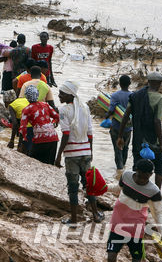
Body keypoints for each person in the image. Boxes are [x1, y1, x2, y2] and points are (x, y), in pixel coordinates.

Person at [54, 81, 101, 225]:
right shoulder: (85, 107)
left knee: (73, 188)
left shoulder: (63, 110)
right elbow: (90, 133)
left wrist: (58, 155)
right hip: (86, 152)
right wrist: (90, 152)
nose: (59, 95)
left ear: (70, 94)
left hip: (72, 155)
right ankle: (96, 215)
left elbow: (66, 134)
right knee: (89, 186)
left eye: (62, 93)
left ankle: (74, 219)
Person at [106, 159, 162, 262]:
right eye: (139, 176)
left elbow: (158, 213)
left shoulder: (154, 191)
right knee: (111, 257)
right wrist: (103, 187)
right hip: (118, 222)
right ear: (135, 170)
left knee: (136, 258)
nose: (141, 180)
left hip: (136, 227)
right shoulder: (126, 175)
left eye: (145, 178)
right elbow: (118, 188)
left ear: (151, 175)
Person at [117, 71, 162, 189]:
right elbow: (157, 121)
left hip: (138, 139)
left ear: (149, 82)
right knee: (159, 166)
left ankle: (135, 191)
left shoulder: (135, 96)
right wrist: (161, 143)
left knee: (138, 166)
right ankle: (156, 193)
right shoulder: (159, 98)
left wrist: (120, 136)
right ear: (159, 83)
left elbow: (125, 116)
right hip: (153, 140)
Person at [19, 85, 59, 165]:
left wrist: (23, 143)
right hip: (53, 138)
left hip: (40, 139)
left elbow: (23, 128)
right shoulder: (45, 105)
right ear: (37, 95)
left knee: (35, 163)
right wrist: (54, 123)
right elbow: (57, 116)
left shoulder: (26, 109)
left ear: (26, 97)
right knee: (50, 164)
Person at [106, 75, 133, 176]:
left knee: (117, 149)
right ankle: (123, 170)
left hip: (116, 127)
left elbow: (111, 110)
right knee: (125, 148)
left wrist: (106, 116)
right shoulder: (133, 95)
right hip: (128, 128)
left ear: (119, 84)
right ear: (129, 84)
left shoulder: (115, 95)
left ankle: (120, 171)